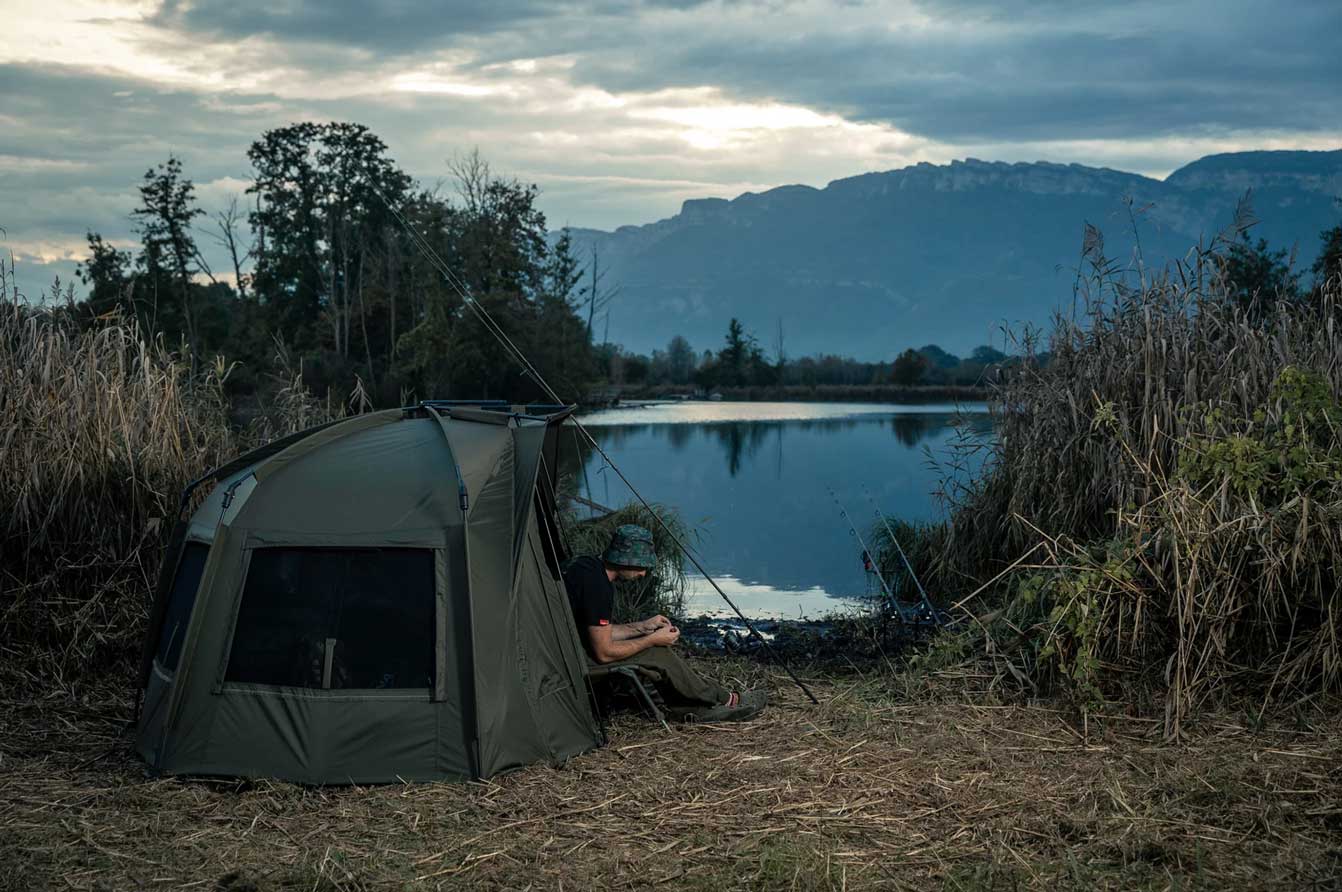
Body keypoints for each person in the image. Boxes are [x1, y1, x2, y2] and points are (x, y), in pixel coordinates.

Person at [563, 524, 765, 722]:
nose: (642, 574)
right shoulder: (598, 587)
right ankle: (727, 699)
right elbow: (604, 652)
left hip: (569, 650)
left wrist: (641, 627)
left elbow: (597, 631)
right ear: (626, 559)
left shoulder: (587, 567)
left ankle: (688, 707)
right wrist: (651, 640)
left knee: (652, 647)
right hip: (577, 661)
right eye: (642, 566)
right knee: (658, 652)